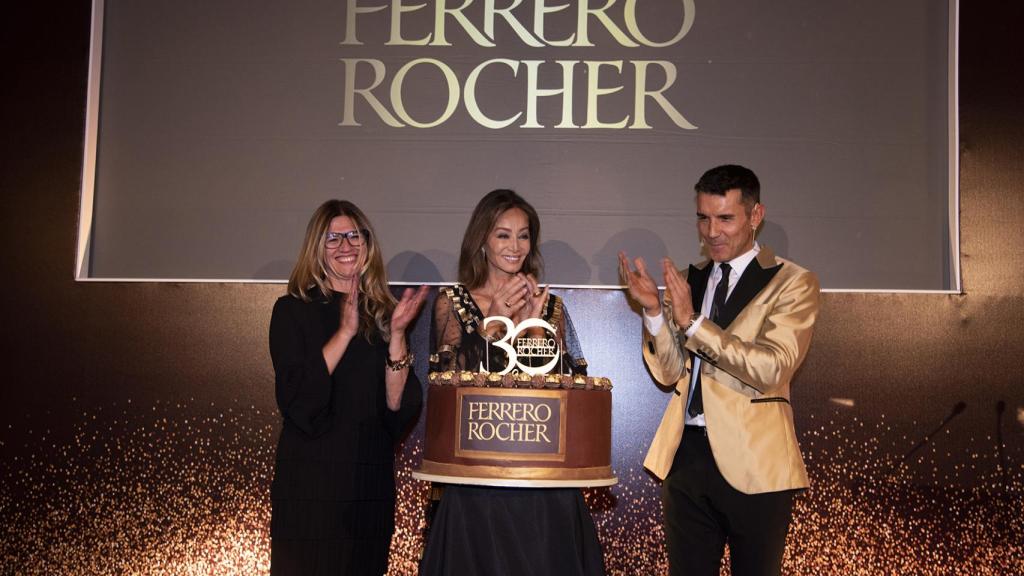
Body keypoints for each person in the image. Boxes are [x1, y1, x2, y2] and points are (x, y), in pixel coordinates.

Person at [619, 165, 820, 576]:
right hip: (687, 458)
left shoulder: (792, 282)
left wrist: (694, 324)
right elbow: (669, 373)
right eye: (703, 218)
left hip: (756, 463)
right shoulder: (690, 280)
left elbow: (772, 367)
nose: (712, 231)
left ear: (755, 216)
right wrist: (655, 312)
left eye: (725, 218)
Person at [420, 189, 604, 576]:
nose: (515, 245)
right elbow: (447, 383)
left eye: (523, 235)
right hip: (476, 482)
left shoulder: (549, 306)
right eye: (503, 234)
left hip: (541, 482)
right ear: (482, 241)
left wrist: (536, 333)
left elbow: (566, 390)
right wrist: (490, 322)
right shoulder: (453, 302)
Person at [268, 199, 428, 576]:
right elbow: (298, 398)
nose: (346, 246)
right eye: (333, 238)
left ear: (367, 244)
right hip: (310, 485)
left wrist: (399, 335)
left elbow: (396, 406)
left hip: (367, 484)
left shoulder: (385, 314)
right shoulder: (291, 311)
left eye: (354, 236)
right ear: (316, 249)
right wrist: (345, 332)